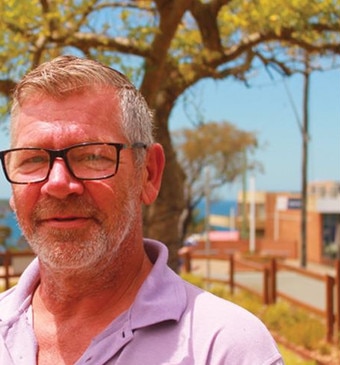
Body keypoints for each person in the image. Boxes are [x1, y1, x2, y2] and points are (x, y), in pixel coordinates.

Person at [0, 55, 284, 365]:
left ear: (148, 173)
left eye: (92, 156)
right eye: (33, 159)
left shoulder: (223, 347)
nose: (58, 183)